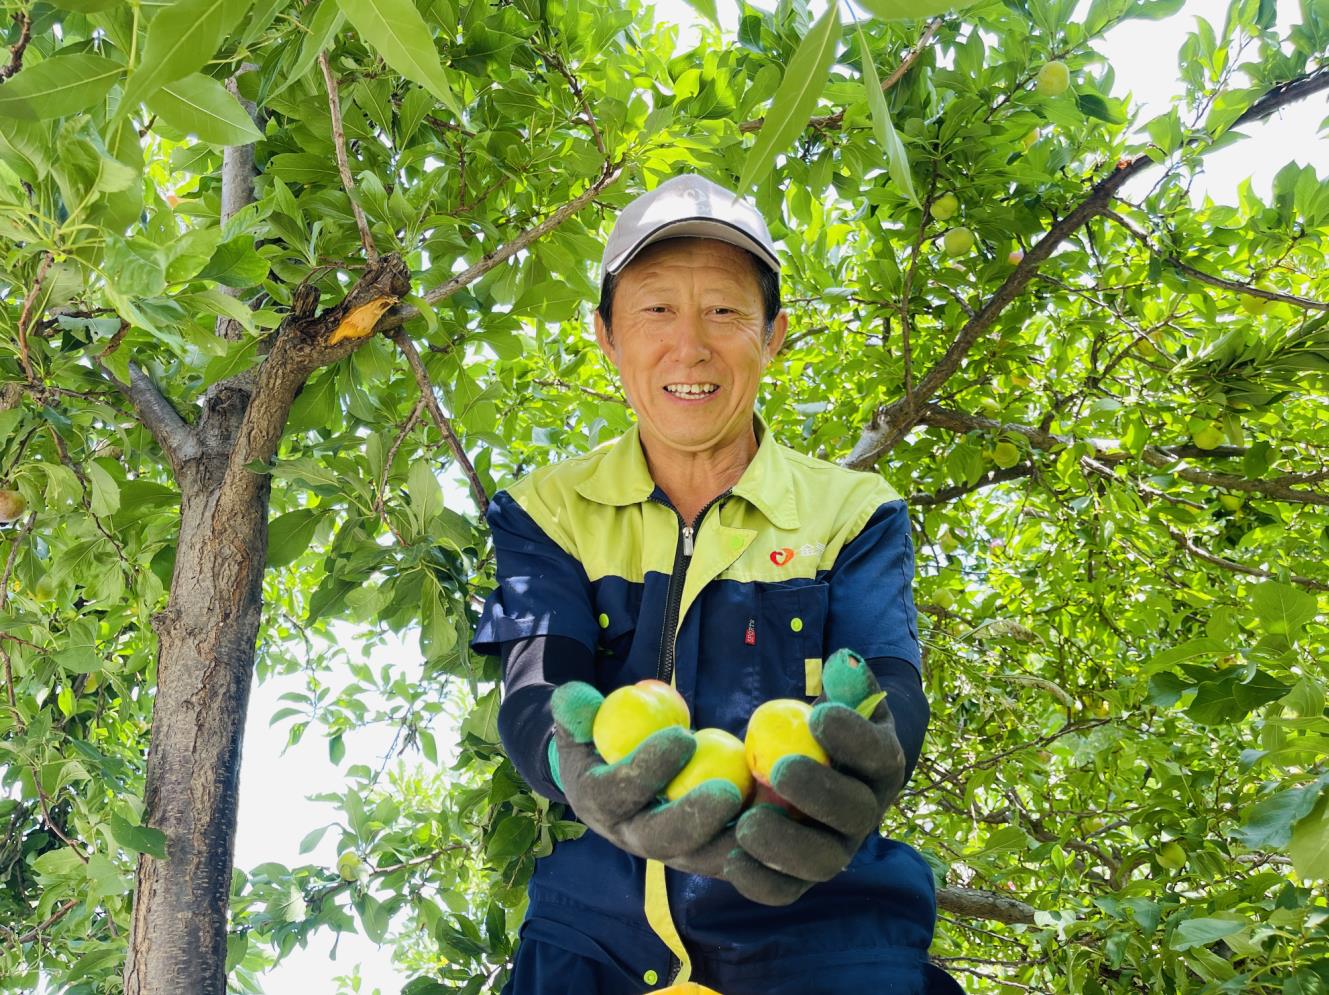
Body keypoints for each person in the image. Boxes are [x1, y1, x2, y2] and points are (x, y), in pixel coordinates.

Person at [471, 174, 963, 994]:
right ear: (605, 333)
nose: (689, 346)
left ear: (772, 336)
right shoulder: (543, 509)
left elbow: (891, 685)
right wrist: (574, 772)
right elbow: (535, 690)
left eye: (725, 312)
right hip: (589, 950)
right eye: (656, 309)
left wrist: (865, 771)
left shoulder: (854, 511)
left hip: (832, 940)